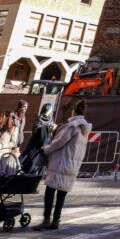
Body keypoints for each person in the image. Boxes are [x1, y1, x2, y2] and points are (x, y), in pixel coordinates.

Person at [34, 98, 90, 231]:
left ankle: (46, 220)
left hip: (61, 163)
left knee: (49, 192)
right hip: (72, 165)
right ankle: (56, 221)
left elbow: (59, 142)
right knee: (61, 194)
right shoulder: (84, 129)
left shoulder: (72, 126)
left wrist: (46, 149)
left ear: (74, 111)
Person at [20, 104, 54, 172]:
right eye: (51, 109)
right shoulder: (43, 119)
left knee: (37, 160)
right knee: (31, 158)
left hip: (43, 143)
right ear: (49, 110)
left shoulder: (44, 119)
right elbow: (37, 131)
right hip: (37, 143)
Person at [0, 111, 20, 175]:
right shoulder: (1, 126)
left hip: (5, 153)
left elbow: (13, 143)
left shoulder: (14, 128)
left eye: (3, 117)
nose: (1, 119)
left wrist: (2, 145)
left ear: (8, 118)